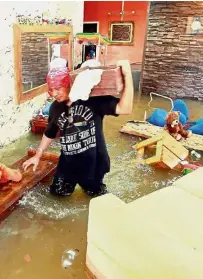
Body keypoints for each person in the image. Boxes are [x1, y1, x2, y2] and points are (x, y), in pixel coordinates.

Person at [23, 58, 134, 197]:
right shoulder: (56, 107)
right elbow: (50, 133)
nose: (54, 94)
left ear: (69, 84)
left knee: (96, 199)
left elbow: (125, 108)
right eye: (51, 90)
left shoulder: (92, 100)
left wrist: (128, 74)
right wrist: (38, 156)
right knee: (56, 196)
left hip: (93, 165)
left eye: (58, 88)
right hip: (67, 164)